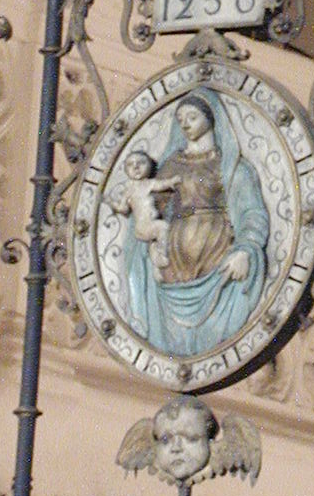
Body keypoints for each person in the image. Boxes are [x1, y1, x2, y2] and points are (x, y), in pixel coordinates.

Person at [115, 90, 269, 359]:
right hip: (171, 266)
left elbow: (252, 212)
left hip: (217, 263)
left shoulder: (230, 166)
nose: (185, 123)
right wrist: (151, 249)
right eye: (180, 119)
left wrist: (245, 250)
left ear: (211, 118)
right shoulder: (172, 165)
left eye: (192, 116)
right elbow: (151, 211)